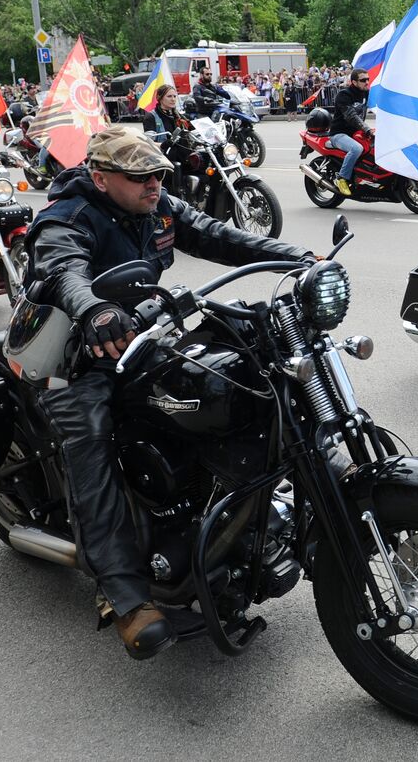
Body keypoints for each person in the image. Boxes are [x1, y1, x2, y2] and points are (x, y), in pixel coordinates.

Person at [24, 125, 312, 660]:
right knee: (89, 441)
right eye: (140, 177)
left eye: (158, 173)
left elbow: (216, 234)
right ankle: (125, 595)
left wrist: (294, 254)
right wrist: (93, 309)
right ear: (100, 176)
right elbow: (65, 273)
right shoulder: (66, 218)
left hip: (142, 332)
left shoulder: (156, 204)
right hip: (72, 350)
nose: (154, 182)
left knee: (242, 373)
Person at [327, 68, 370, 196]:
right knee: (357, 149)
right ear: (354, 82)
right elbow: (351, 116)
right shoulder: (344, 95)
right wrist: (366, 129)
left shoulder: (366, 92)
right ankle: (342, 178)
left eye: (368, 79)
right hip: (339, 134)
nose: (367, 82)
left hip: (356, 133)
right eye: (363, 80)